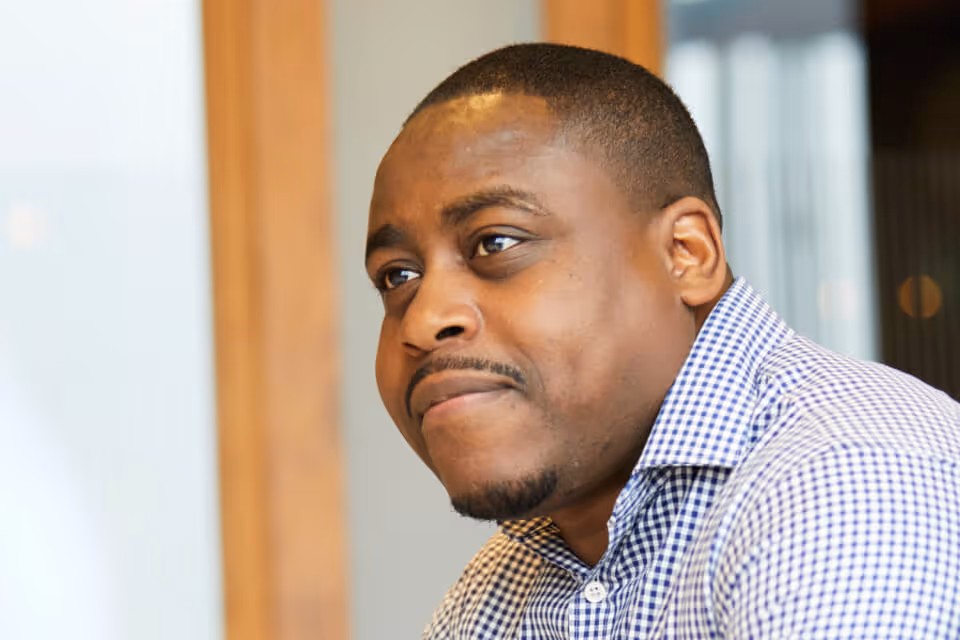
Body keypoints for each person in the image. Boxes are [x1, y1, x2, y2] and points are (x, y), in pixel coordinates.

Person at [363, 43, 960, 638]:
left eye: (495, 243)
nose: (421, 321)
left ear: (686, 254)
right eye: (397, 277)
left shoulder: (848, 484)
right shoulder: (503, 586)